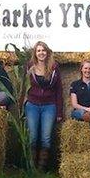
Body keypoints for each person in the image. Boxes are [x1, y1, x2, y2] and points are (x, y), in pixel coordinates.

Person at [25, 41, 63, 171]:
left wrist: (59, 112)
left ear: (47, 52)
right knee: (33, 138)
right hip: (32, 105)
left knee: (46, 138)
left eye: (43, 50)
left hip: (49, 106)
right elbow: (23, 88)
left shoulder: (54, 68)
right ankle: (32, 167)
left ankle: (41, 169)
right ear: (35, 53)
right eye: (38, 51)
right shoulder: (30, 66)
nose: (41, 53)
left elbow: (59, 90)